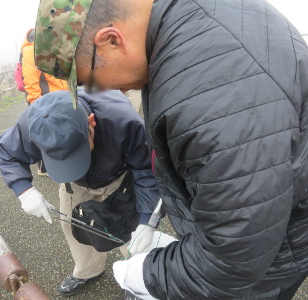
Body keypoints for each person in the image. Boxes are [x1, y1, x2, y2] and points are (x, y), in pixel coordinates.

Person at [33, 0, 308, 299]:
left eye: (92, 81)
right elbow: (211, 162)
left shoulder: (209, 91)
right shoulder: (182, 30)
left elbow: (233, 257)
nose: (101, 92)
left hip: (271, 253)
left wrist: (148, 275)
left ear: (111, 40)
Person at [0, 90, 160, 296]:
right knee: (73, 225)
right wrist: (24, 190)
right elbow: (6, 153)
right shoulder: (33, 124)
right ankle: (88, 271)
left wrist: (146, 221)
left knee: (128, 231)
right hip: (74, 183)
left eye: (78, 151)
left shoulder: (124, 122)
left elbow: (146, 170)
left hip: (117, 179)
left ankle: (135, 278)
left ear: (91, 123)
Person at [20, 28, 68, 175]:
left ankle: (55, 164)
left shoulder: (51, 48)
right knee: (46, 135)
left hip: (59, 98)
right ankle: (44, 167)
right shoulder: (31, 51)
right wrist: (37, 105)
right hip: (45, 101)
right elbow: (30, 81)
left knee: (57, 133)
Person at [20, 28, 68, 104]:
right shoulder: (32, 50)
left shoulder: (53, 46)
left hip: (63, 101)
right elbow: (31, 83)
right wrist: (38, 108)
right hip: (48, 104)